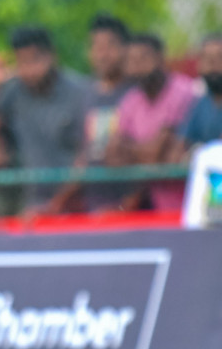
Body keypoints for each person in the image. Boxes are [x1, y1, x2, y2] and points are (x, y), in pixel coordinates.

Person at [0, 26, 89, 215]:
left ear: (52, 56)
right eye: (22, 62)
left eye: (35, 60)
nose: (29, 70)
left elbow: (87, 156)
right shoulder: (14, 91)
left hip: (76, 206)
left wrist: (57, 204)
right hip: (30, 207)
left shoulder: (80, 93)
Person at [107, 32, 194, 211]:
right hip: (144, 202)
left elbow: (156, 153)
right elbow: (113, 156)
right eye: (131, 61)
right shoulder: (130, 101)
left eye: (143, 59)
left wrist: (130, 150)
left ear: (160, 59)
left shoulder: (184, 92)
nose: (137, 66)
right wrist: (144, 152)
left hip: (183, 202)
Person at [83, 14, 132, 211]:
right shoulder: (83, 94)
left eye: (110, 46)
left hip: (131, 207)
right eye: (96, 47)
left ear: (125, 49)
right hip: (92, 206)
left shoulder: (137, 93)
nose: (103, 54)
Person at [181, 33, 222, 147]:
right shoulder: (199, 103)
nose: (212, 64)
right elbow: (182, 142)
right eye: (206, 58)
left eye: (220, 57)